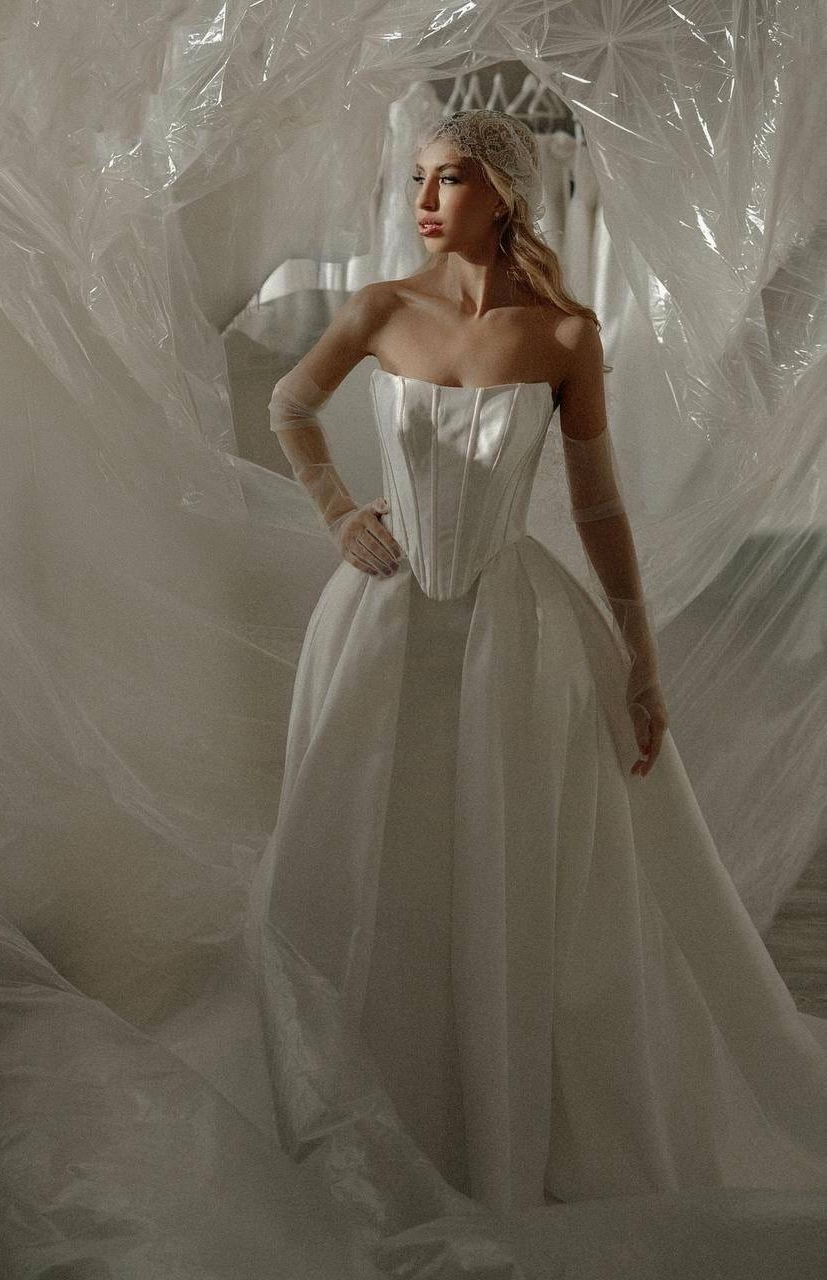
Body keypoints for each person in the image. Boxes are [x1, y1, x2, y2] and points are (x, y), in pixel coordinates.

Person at [246, 109, 827, 1245]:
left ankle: (498, 1095)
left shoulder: (565, 334)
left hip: (512, 631)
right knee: (366, 840)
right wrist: (337, 512)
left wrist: (640, 655)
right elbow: (289, 405)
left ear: (503, 192)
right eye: (418, 177)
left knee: (496, 846)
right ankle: (369, 1084)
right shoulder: (380, 308)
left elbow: (597, 505)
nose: (424, 200)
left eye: (451, 178)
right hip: (379, 619)